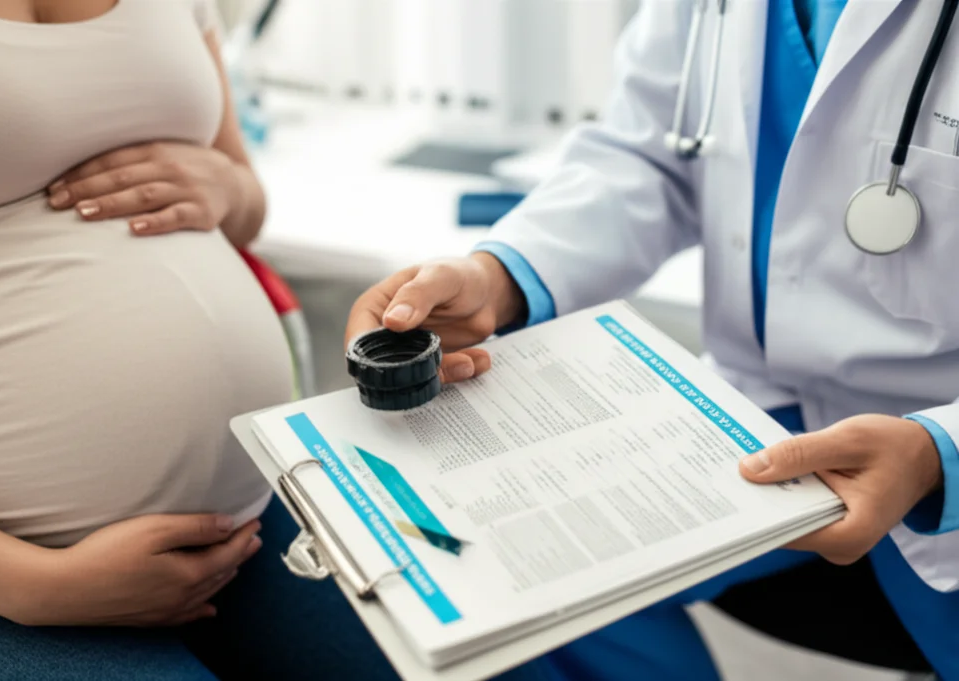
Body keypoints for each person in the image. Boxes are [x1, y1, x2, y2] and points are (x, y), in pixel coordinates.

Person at [0, 2, 557, 680]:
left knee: (499, 663)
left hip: (247, 519)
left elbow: (245, 200)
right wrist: (34, 586)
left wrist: (225, 185)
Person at [347, 1, 959, 679]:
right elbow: (649, 155)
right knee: (502, 574)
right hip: (756, 411)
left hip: (936, 437)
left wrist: (940, 455)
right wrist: (498, 276)